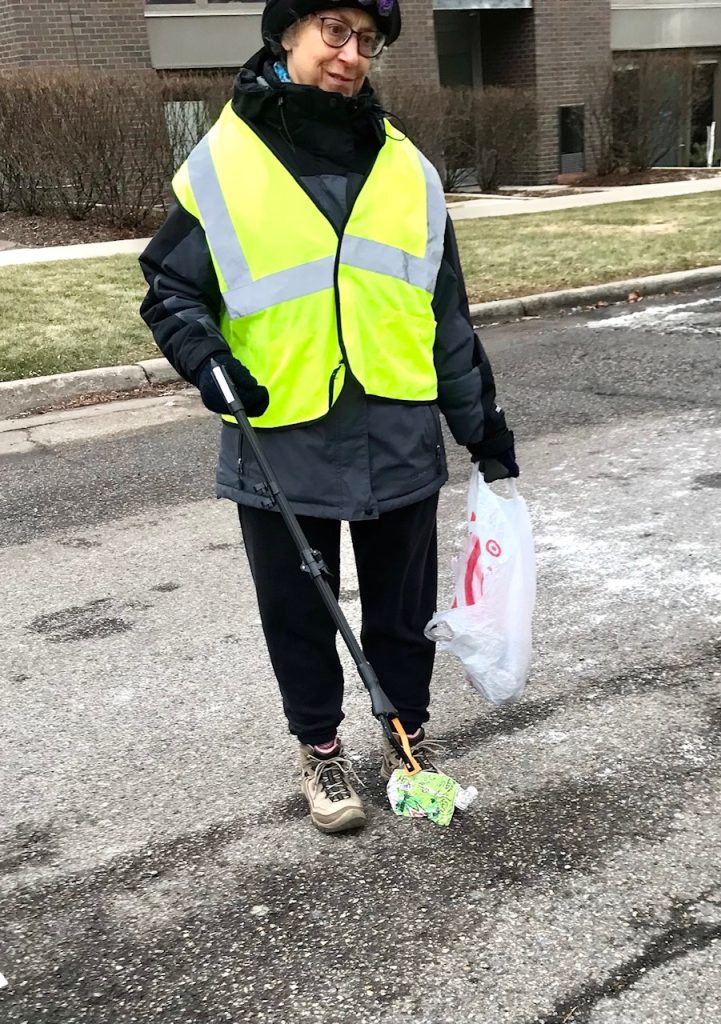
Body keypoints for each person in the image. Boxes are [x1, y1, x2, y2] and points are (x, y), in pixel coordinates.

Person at [139, 0, 518, 834]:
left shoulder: (405, 168)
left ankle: (406, 738)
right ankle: (319, 750)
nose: (351, 55)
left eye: (367, 40)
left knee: (401, 611)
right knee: (299, 611)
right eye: (334, 32)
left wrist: (482, 430)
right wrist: (209, 362)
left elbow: (444, 316)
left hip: (396, 428)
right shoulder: (226, 161)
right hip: (281, 432)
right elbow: (170, 290)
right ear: (287, 35)